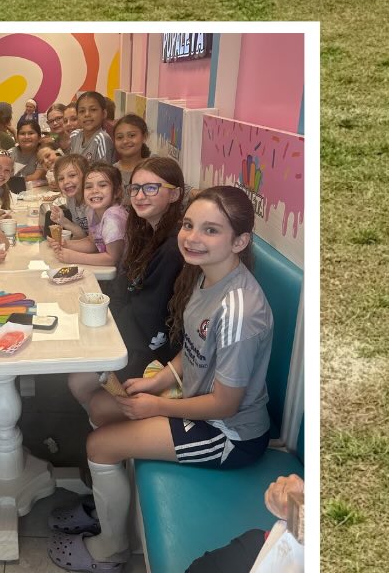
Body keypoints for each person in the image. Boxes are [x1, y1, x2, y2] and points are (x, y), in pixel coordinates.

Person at [48, 187, 273, 572]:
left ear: (240, 241)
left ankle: (111, 549)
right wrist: (157, 382)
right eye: (188, 225)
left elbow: (226, 404)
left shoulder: (239, 311)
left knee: (99, 444)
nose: (192, 237)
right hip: (195, 402)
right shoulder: (206, 279)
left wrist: (157, 405)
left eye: (211, 230)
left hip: (230, 434)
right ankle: (111, 508)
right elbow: (193, 349)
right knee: (103, 406)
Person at [54, 158, 186, 527]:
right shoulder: (146, 230)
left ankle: (108, 470)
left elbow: (151, 317)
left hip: (155, 357)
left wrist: (99, 335)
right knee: (78, 380)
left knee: (88, 392)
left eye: (152, 188)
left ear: (175, 195)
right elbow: (129, 293)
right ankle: (106, 470)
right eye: (137, 188)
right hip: (139, 340)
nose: (140, 195)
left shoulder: (175, 246)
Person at [48, 162, 127, 269]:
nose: (94, 191)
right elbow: (93, 243)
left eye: (102, 185)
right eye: (89, 187)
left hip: (123, 277)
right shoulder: (92, 211)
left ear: (117, 191)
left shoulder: (113, 218)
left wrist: (75, 257)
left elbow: (113, 258)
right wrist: (66, 244)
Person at [69, 91, 116, 165]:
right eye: (82, 111)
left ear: (104, 114)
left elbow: (103, 173)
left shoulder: (101, 138)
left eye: (93, 110)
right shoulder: (74, 135)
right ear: (77, 116)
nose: (87, 114)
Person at [52, 153, 91, 236]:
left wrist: (68, 245)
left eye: (72, 175)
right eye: (61, 178)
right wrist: (63, 221)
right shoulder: (71, 199)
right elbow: (83, 235)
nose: (66, 182)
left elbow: (95, 243)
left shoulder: (93, 202)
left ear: (86, 176)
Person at [112, 114, 151, 188]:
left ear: (145, 137)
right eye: (119, 137)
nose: (125, 141)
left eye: (132, 135)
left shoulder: (154, 168)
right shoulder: (112, 173)